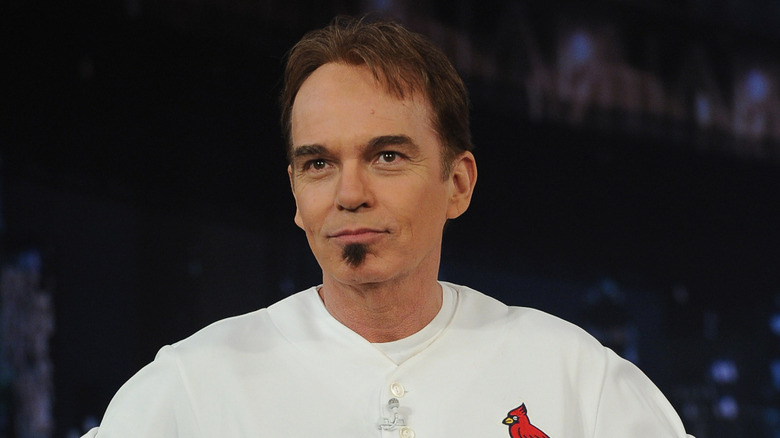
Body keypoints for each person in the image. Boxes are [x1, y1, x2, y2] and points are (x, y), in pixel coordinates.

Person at [83, 16, 694, 438]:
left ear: (458, 183)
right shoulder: (195, 383)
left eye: (387, 157)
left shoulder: (575, 380)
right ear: (296, 195)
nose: (350, 194)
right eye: (318, 164)